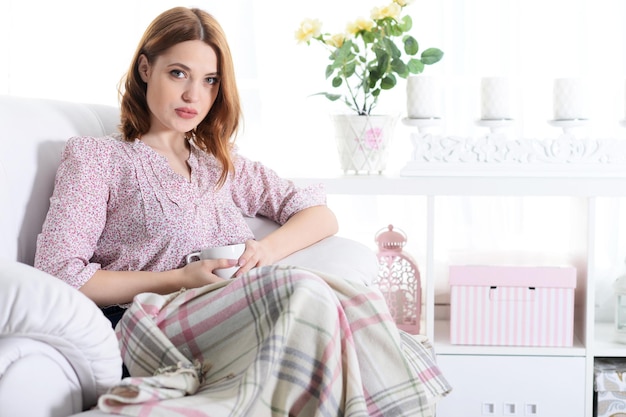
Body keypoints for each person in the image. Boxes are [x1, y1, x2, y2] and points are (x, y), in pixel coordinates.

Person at [35, 6, 450, 416]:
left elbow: (320, 215)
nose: (192, 95)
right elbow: (59, 272)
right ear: (145, 69)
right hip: (149, 321)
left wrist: (263, 253)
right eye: (178, 73)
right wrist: (178, 279)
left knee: (351, 299)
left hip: (234, 310)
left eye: (209, 81)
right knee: (305, 290)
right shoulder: (97, 158)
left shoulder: (220, 162)